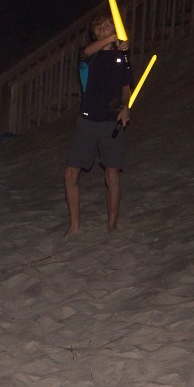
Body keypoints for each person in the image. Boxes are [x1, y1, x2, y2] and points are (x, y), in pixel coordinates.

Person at [64, 14, 133, 234]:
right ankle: (74, 226)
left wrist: (126, 107)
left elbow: (126, 88)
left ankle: (112, 225)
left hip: (111, 122)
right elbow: (85, 53)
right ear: (95, 33)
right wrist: (113, 38)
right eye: (99, 27)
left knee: (111, 174)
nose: (103, 29)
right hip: (87, 121)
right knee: (70, 174)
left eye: (107, 26)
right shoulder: (88, 57)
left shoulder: (121, 57)